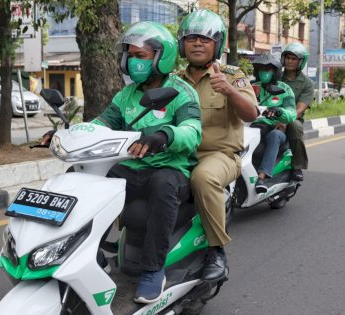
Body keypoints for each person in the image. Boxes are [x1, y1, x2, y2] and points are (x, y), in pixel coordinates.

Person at [41, 21, 202, 304]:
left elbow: (192, 132)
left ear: (160, 57)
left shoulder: (181, 92)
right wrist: (67, 135)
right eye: (131, 55)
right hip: (131, 168)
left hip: (169, 170)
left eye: (142, 55)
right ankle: (90, 256)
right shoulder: (126, 94)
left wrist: (163, 135)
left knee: (164, 184)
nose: (134, 61)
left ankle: (153, 270)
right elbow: (101, 125)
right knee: (77, 178)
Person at [175, 9, 258, 281]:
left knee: (204, 177)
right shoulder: (173, 79)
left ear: (217, 45)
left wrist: (231, 91)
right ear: (182, 44)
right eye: (191, 38)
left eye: (205, 39)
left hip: (219, 155)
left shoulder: (232, 74)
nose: (197, 43)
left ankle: (216, 250)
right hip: (179, 153)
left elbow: (251, 114)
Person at [250, 53, 296, 194]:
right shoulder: (250, 87)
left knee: (275, 135)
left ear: (275, 72)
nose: (265, 73)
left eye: (269, 69)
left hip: (274, 129)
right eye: (262, 69)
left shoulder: (285, 89)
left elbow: (292, 113)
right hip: (251, 126)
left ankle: (262, 177)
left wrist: (279, 112)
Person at [279, 43, 314, 181]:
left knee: (295, 126)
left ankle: (297, 166)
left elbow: (299, 109)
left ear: (301, 61)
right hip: (270, 114)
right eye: (287, 58)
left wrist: (284, 119)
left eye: (293, 59)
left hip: (292, 118)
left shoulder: (307, 84)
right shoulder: (276, 77)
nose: (289, 61)